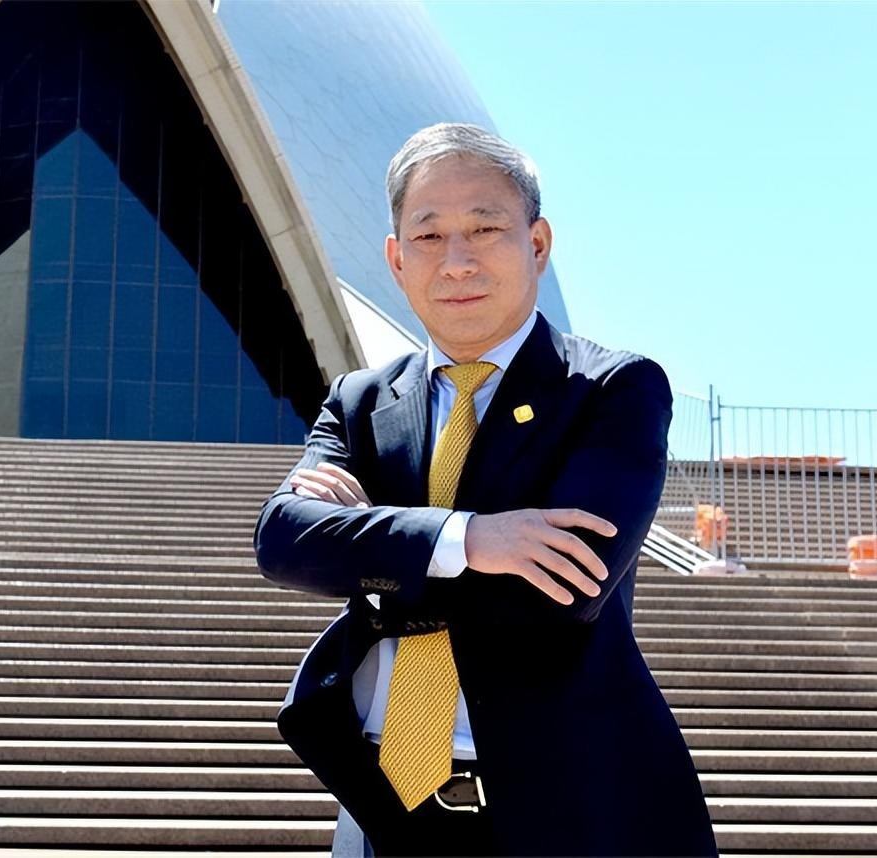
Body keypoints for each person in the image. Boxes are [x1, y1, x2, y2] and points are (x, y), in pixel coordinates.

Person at [253, 123, 717, 857]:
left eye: (484, 228)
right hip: (382, 808)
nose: (457, 260)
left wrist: (371, 552)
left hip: (566, 813)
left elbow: (560, 591)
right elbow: (283, 542)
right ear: (396, 259)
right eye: (429, 236)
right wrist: (470, 539)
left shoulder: (610, 390)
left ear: (537, 244)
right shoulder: (358, 402)